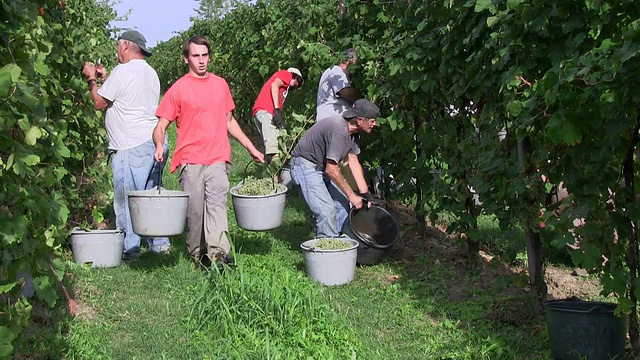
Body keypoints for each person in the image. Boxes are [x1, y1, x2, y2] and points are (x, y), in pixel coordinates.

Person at [152, 35, 264, 270]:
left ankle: (219, 256)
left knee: (217, 206)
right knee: (195, 213)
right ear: (186, 59)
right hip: (190, 159)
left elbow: (229, 121)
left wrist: (251, 147)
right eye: (195, 56)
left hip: (217, 156)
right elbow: (161, 126)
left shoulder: (220, 84)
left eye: (205, 55)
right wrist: (159, 145)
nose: (201, 61)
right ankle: (197, 254)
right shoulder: (178, 89)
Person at [81, 30, 170, 260]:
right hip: (154, 141)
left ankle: (130, 249)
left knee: (127, 197)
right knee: (150, 196)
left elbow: (99, 102)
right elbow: (124, 96)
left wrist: (92, 79)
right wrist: (106, 79)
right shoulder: (150, 73)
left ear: (126, 46)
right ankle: (159, 244)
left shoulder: (123, 71)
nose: (116, 50)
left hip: (131, 145)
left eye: (118, 46)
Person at [290, 99, 380, 238]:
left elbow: (353, 161)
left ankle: (338, 243)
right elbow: (332, 170)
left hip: (320, 166)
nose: (375, 124)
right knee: (326, 211)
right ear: (360, 120)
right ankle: (327, 251)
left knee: (343, 206)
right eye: (372, 121)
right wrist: (352, 196)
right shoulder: (339, 130)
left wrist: (365, 194)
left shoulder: (354, 133)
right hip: (305, 165)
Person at [252, 68, 303, 164]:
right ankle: (276, 177)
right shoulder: (287, 74)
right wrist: (276, 109)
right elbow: (274, 84)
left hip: (261, 112)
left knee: (274, 145)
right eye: (298, 81)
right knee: (274, 151)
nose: (296, 85)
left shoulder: (282, 92)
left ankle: (272, 172)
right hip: (266, 111)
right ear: (294, 76)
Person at [316, 48, 361, 122]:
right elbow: (346, 93)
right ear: (351, 60)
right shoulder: (336, 71)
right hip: (330, 120)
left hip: (332, 120)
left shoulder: (343, 75)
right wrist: (362, 97)